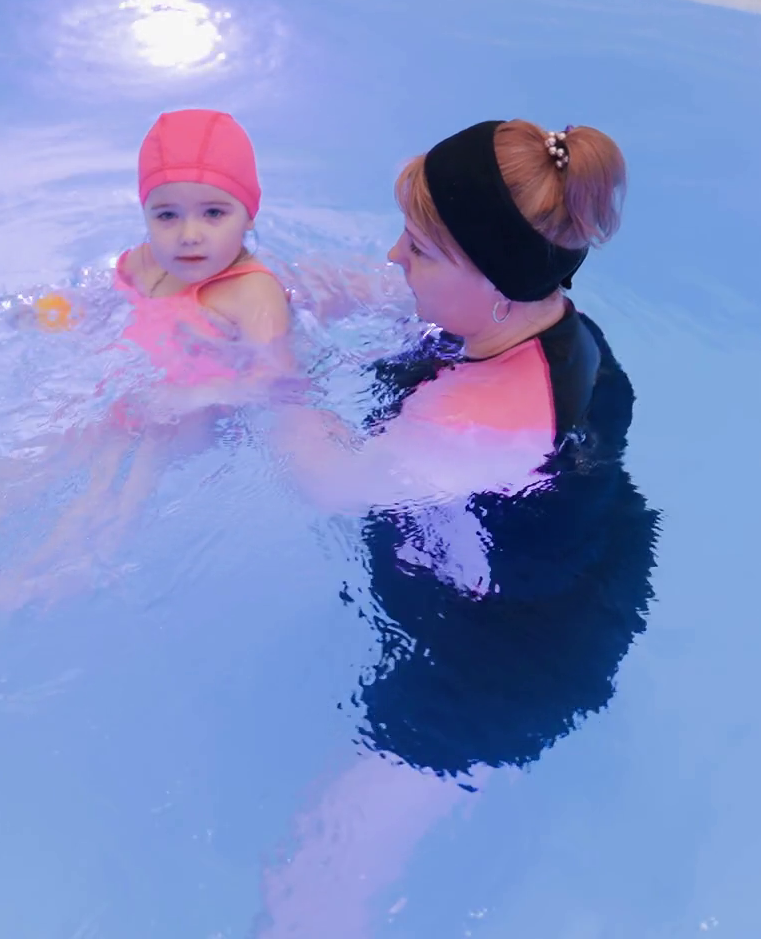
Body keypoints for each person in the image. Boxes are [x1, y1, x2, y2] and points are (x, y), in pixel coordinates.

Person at [256, 119, 660, 937]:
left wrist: (269, 367)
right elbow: (397, 294)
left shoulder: (482, 418)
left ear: (490, 279)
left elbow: (328, 482)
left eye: (417, 249)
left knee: (307, 882)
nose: (392, 258)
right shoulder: (538, 316)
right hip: (562, 575)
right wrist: (272, 285)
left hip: (499, 669)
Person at [0, 110, 292, 608]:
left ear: (250, 214)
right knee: (36, 454)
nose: (188, 234)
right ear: (145, 212)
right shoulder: (145, 261)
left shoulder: (251, 293)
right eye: (167, 215)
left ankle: (42, 582)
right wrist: (54, 311)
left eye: (213, 213)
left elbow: (276, 380)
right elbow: (103, 301)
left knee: (111, 491)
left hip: (185, 417)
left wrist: (192, 397)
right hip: (122, 394)